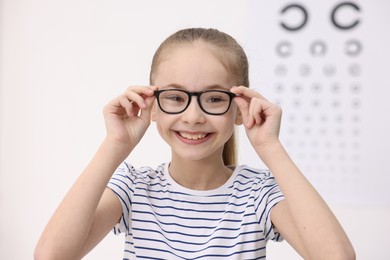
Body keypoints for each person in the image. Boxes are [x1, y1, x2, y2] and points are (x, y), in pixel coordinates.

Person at [35, 28, 355, 259]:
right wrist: (115, 143)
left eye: (214, 99)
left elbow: (337, 257)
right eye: (175, 97)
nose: (193, 116)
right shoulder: (133, 187)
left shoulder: (258, 194)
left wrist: (270, 147)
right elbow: (51, 255)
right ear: (153, 105)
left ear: (240, 107)